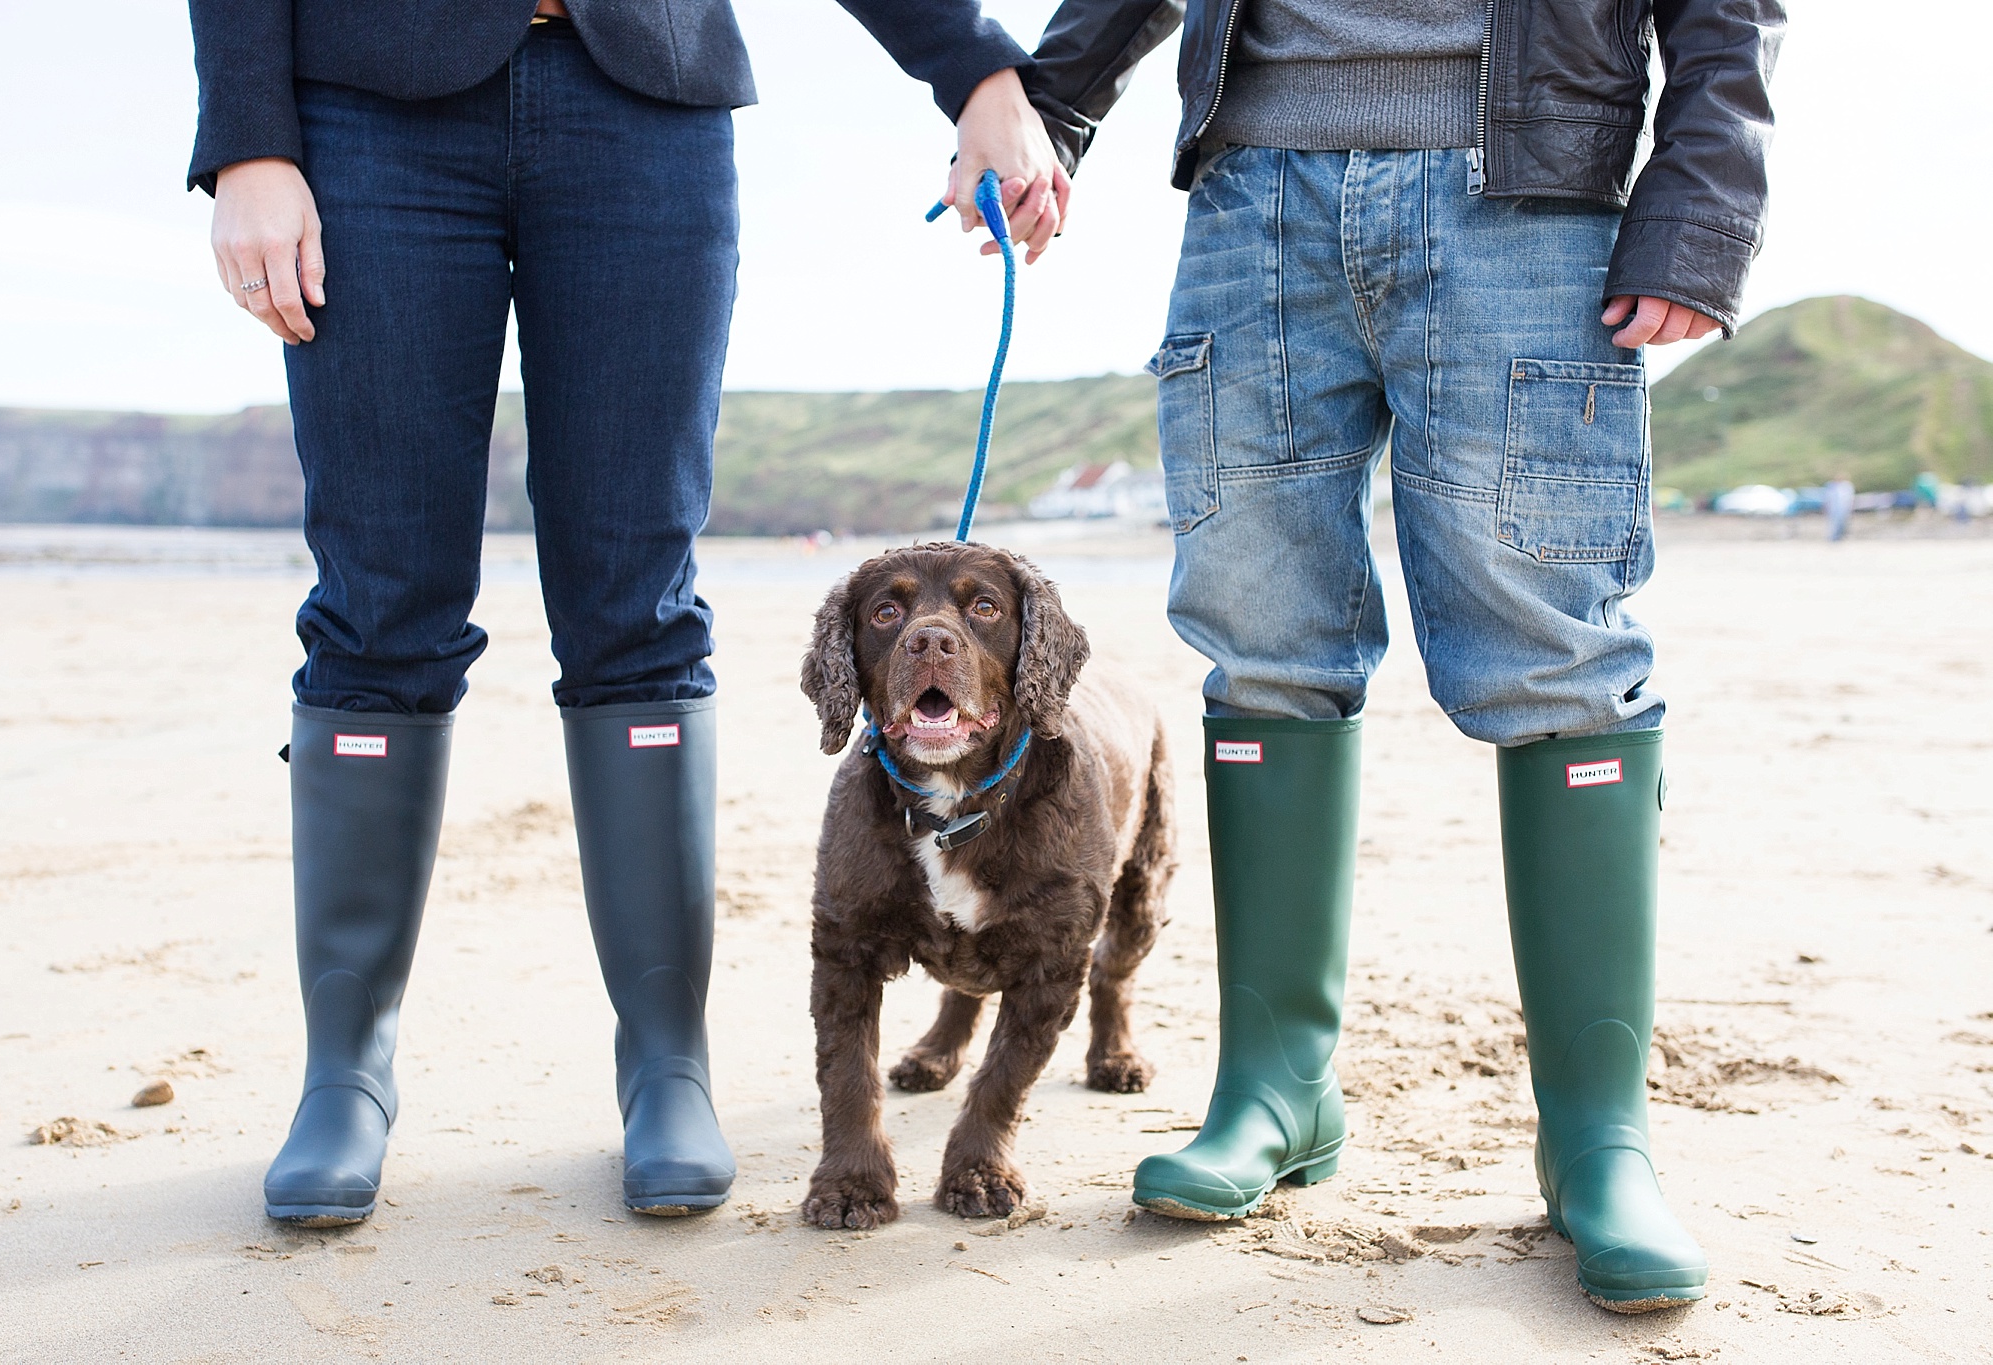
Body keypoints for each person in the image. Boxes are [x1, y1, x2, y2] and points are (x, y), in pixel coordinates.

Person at [187, 0, 1064, 1226]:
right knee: (380, 608)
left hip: (643, 106)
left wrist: (974, 73)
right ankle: (345, 1075)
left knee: (636, 605)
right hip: (365, 111)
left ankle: (665, 1062)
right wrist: (245, 139)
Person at [1020, 0, 1781, 1311]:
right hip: (1253, 190)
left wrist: (1703, 199)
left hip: (1528, 200)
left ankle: (1597, 1140)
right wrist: (1047, 108)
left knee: (1559, 660)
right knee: (1259, 639)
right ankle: (1275, 1088)